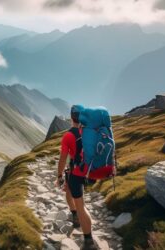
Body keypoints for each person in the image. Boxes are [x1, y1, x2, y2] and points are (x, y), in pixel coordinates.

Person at [56, 105, 97, 250]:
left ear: (71, 117)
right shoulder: (90, 132)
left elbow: (62, 159)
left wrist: (59, 175)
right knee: (68, 189)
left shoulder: (68, 135)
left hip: (77, 173)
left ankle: (88, 240)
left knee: (81, 206)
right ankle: (74, 215)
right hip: (88, 172)